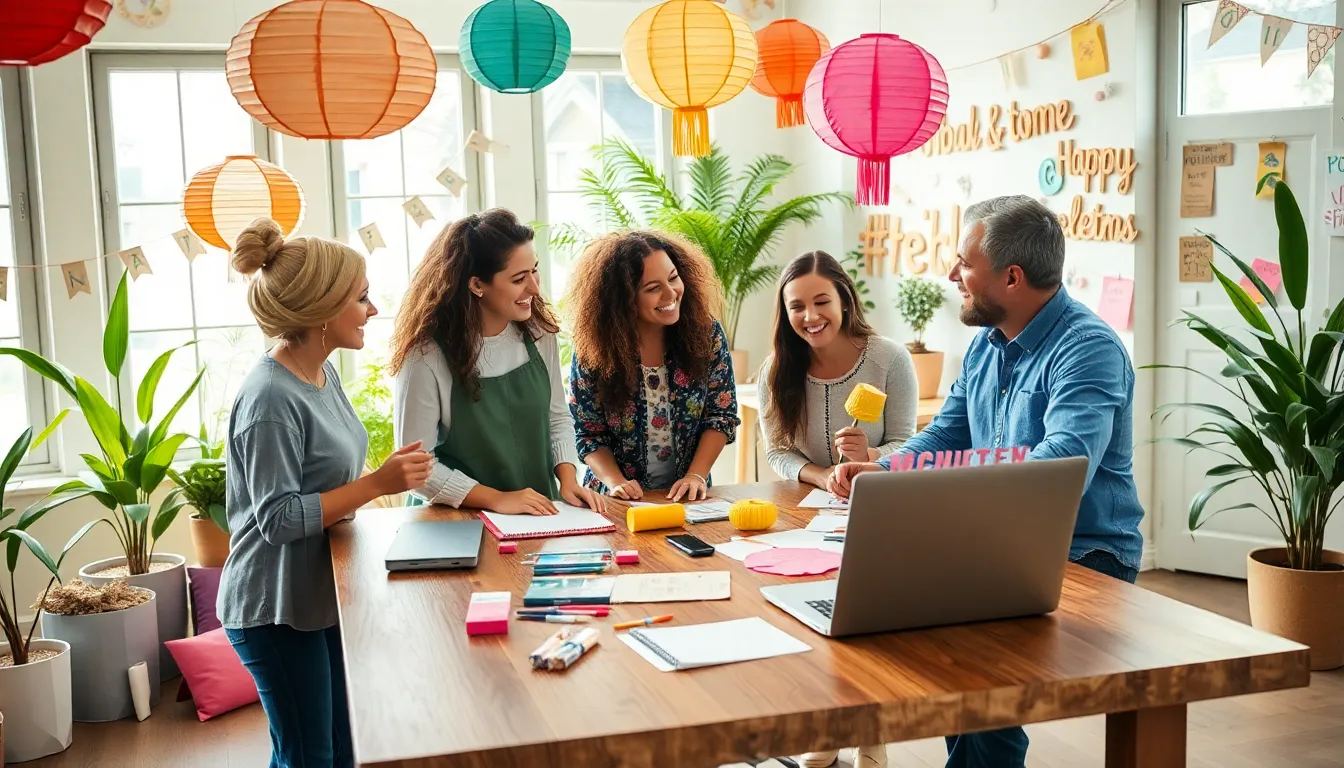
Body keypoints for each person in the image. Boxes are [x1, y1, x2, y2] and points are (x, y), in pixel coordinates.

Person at [830, 195, 1146, 768]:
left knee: (975, 654)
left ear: (1012, 276)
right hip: (1000, 544)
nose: (952, 275)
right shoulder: (985, 344)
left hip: (1088, 553)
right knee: (922, 635)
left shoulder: (1089, 348)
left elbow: (1058, 471)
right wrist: (879, 471)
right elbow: (945, 435)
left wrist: (952, 494)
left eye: (963, 262)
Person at [219, 218, 434, 768]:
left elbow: (326, 480)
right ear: (321, 310)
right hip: (273, 608)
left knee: (340, 747)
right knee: (309, 756)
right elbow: (279, 519)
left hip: (316, 598)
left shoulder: (321, 372)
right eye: (361, 298)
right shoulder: (269, 400)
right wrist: (378, 484)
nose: (374, 309)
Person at [390, 209, 605, 516]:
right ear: (477, 285)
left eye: (535, 270)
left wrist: (568, 479)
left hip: (538, 514)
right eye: (519, 278)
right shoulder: (426, 356)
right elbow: (416, 470)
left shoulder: (538, 332)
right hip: (458, 521)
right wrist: (495, 499)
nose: (534, 287)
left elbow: (556, 417)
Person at [565, 230, 740, 502]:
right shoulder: (595, 348)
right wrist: (616, 482)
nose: (671, 293)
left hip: (688, 497)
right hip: (615, 501)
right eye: (653, 288)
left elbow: (721, 415)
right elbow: (587, 433)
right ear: (624, 300)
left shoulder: (707, 335)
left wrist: (695, 475)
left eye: (673, 278)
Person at [759, 250, 919, 490]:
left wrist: (868, 456)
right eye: (797, 307)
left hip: (876, 494)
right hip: (806, 499)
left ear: (844, 301)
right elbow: (777, 452)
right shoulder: (774, 370)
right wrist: (822, 476)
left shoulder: (891, 359)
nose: (811, 316)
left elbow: (906, 445)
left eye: (822, 302)